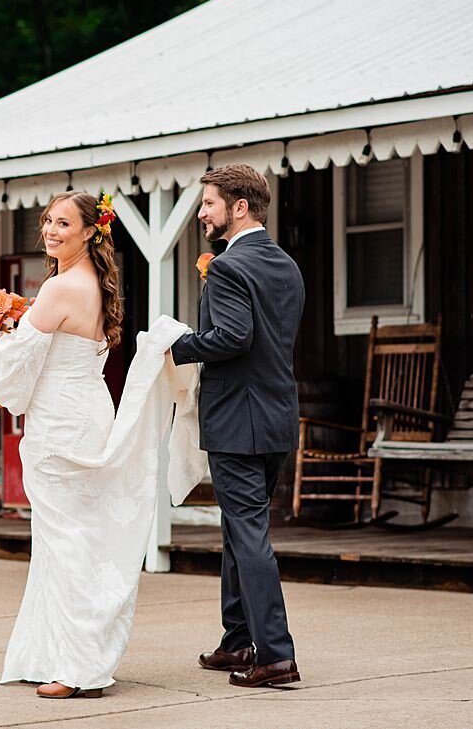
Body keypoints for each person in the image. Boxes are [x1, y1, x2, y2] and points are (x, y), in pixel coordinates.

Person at [0, 190, 197, 699]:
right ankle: (52, 652)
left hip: (61, 424)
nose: (51, 231)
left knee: (67, 542)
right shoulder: (89, 281)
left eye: (64, 225)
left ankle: (80, 668)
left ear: (90, 232)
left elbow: (9, 371)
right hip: (87, 409)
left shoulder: (57, 289)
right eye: (48, 222)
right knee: (69, 538)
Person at [169, 163, 305, 688]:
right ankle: (236, 641)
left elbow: (232, 338)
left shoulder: (227, 268)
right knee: (238, 529)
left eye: (208, 204)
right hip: (274, 417)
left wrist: (176, 344)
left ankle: (274, 655)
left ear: (238, 207)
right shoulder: (286, 265)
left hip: (238, 421)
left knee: (248, 535)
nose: (202, 213)